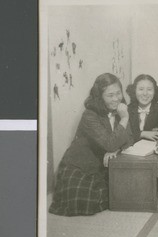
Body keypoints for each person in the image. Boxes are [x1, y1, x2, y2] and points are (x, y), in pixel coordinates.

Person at [49, 73, 134, 216]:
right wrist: (124, 118)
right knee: (85, 202)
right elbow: (109, 143)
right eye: (110, 95)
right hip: (80, 164)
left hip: (104, 162)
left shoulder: (120, 109)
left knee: (125, 194)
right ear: (99, 96)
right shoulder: (89, 115)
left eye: (118, 93)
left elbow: (130, 138)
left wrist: (116, 150)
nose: (116, 99)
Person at [126, 74, 158, 142]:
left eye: (149, 89)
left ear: (155, 92)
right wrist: (142, 134)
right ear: (134, 91)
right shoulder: (128, 109)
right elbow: (124, 135)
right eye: (141, 89)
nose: (145, 93)